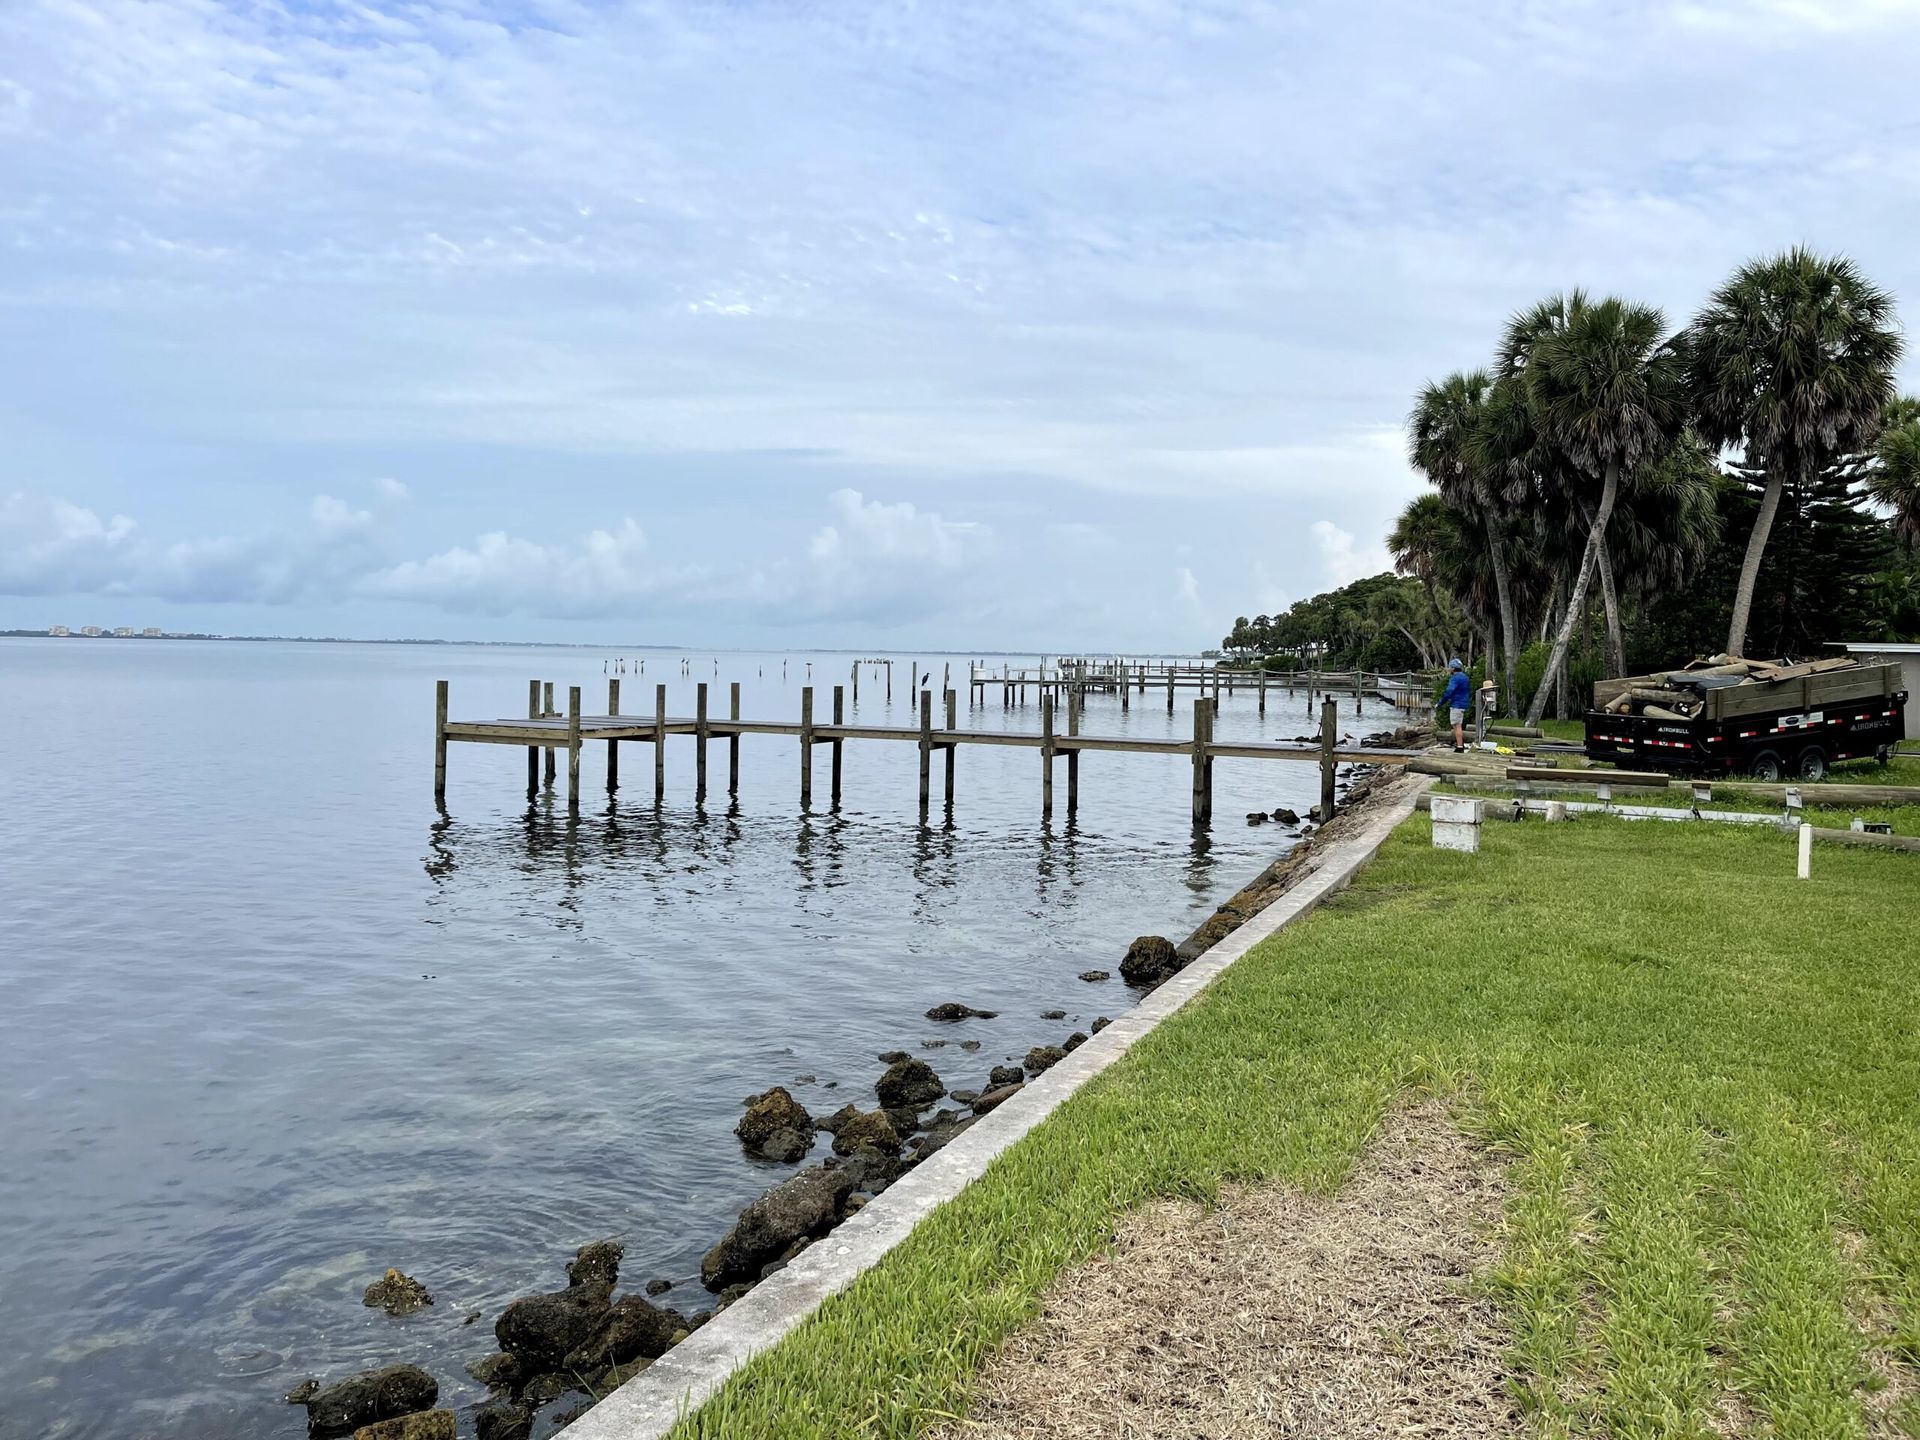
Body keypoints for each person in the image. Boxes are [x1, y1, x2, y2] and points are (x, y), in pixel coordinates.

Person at [1443, 658, 1471, 751]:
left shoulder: (1455, 678)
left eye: (1450, 667)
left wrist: (1441, 702)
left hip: (1457, 704)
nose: (1449, 669)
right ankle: (1460, 745)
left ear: (1453, 668)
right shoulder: (1465, 677)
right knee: (1457, 724)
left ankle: (1460, 746)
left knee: (1456, 725)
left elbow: (1449, 691)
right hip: (1463, 703)